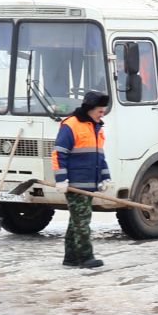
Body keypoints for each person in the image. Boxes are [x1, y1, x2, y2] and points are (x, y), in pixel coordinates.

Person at [53, 91, 111, 270]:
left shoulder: (96, 128)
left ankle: (70, 257)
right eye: (100, 111)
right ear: (90, 109)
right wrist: (61, 179)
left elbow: (99, 156)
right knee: (82, 220)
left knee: (76, 220)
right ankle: (86, 257)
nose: (102, 114)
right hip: (75, 184)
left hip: (88, 183)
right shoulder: (71, 125)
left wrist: (105, 176)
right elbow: (59, 153)